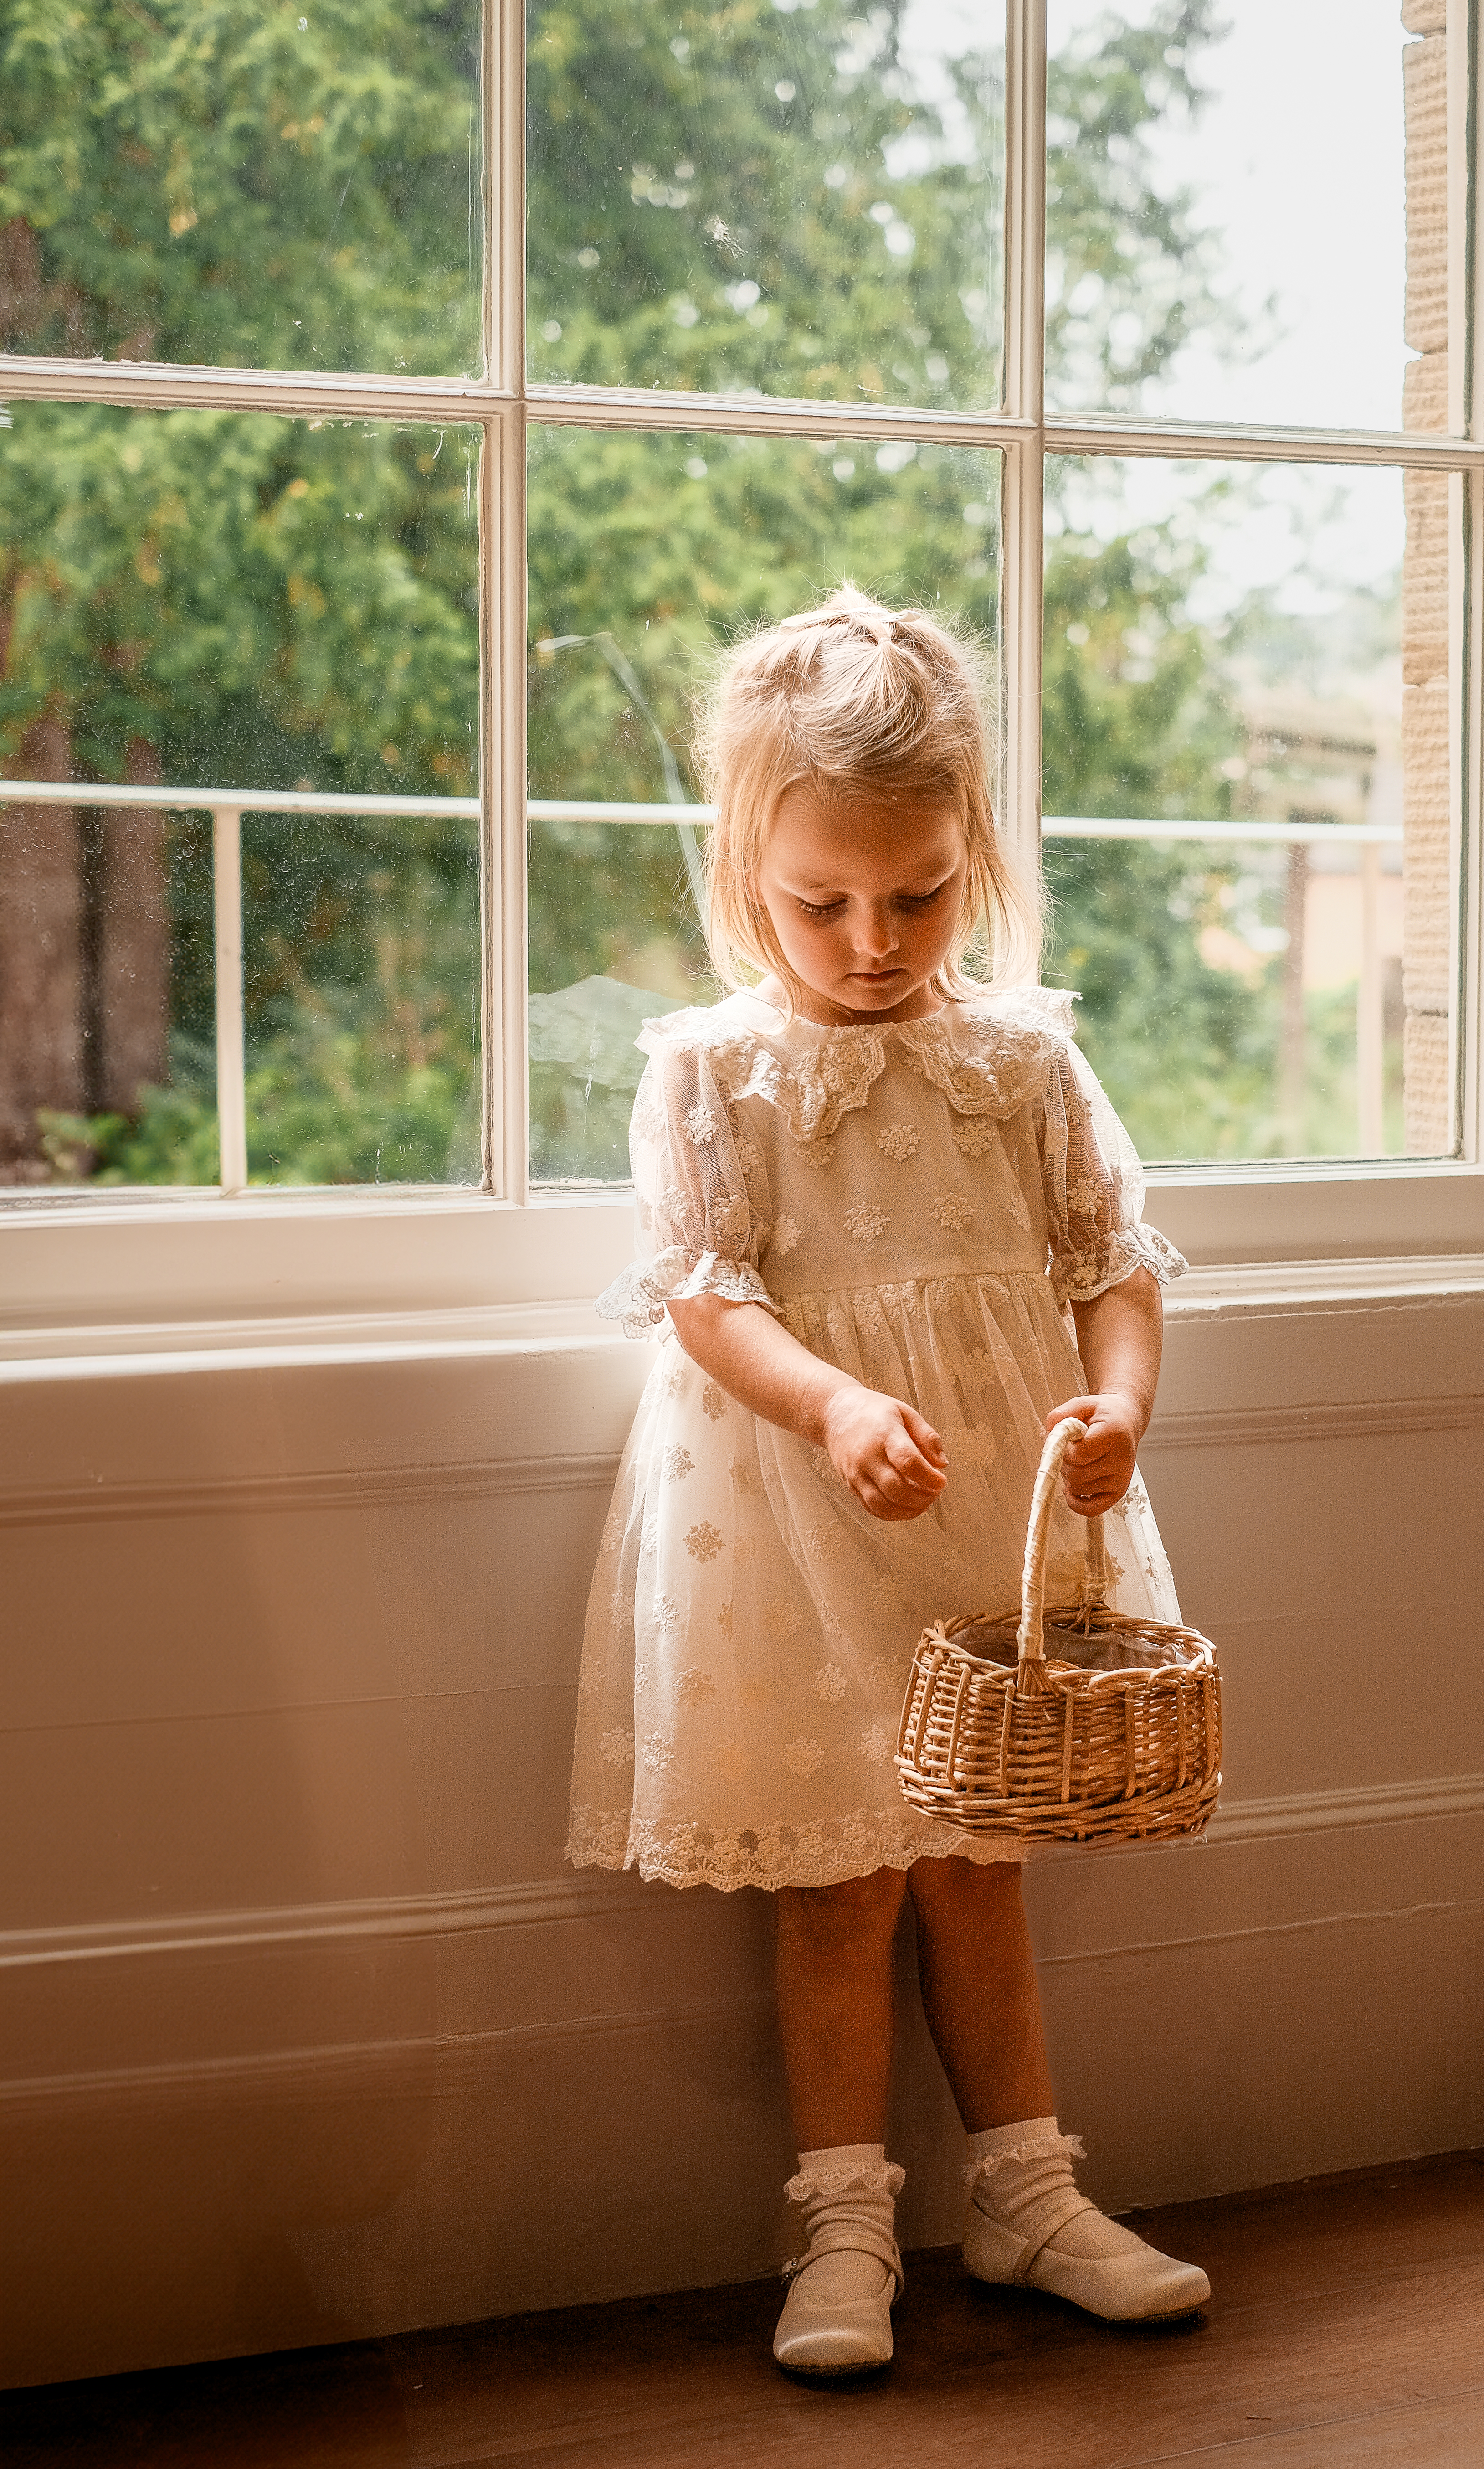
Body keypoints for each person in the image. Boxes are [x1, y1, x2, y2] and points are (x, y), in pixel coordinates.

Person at [568, 587, 1210, 2375]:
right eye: (819, 902)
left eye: (917, 895)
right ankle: (842, 2226)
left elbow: (1113, 1260)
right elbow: (705, 1293)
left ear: (976, 854)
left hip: (991, 1515)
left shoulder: (1022, 1060)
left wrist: (1121, 1405)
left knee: (979, 1859)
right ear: (742, 872)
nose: (871, 938)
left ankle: (1025, 2190)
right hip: (796, 1523)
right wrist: (836, 1408)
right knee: (839, 1882)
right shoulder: (712, 1072)